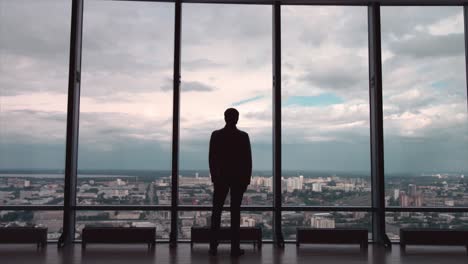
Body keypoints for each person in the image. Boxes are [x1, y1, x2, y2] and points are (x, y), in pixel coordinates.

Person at [208, 108, 252, 257]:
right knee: (235, 213)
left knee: (216, 212)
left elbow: (212, 159)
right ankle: (234, 248)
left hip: (221, 178)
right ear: (237, 118)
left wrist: (215, 177)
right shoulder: (243, 136)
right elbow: (247, 160)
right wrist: (246, 180)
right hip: (238, 179)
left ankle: (213, 246)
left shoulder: (216, 135)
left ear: (225, 118)